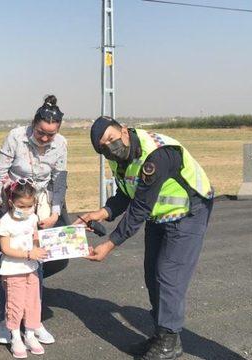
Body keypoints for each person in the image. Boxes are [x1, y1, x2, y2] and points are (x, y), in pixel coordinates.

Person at [75, 116, 214, 360]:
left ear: (125, 131)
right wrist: (102, 212)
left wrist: (109, 243)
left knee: (168, 275)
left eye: (111, 138)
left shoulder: (156, 156)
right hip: (160, 215)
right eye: (103, 147)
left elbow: (139, 208)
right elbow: (126, 193)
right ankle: (163, 335)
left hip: (189, 211)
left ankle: (169, 341)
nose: (109, 146)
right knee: (152, 275)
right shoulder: (119, 158)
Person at [0, 95, 68, 344]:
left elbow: (60, 180)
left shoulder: (61, 144)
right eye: (41, 132)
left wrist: (55, 213)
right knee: (11, 267)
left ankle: (34, 322)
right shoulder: (15, 137)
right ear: (33, 124)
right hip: (14, 204)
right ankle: (5, 321)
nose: (45, 138)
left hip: (41, 204)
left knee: (37, 263)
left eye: (51, 134)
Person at [0, 179, 48, 358]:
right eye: (21, 206)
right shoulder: (5, 223)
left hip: (31, 268)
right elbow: (6, 249)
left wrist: (43, 247)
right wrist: (28, 254)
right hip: (13, 270)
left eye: (29, 206)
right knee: (15, 304)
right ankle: (16, 336)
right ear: (11, 203)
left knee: (33, 302)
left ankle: (31, 334)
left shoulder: (32, 218)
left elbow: (35, 239)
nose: (26, 210)